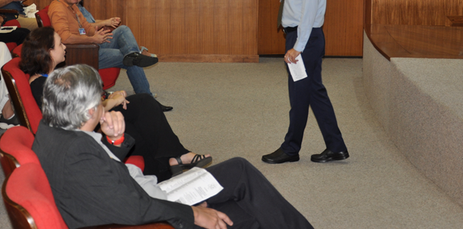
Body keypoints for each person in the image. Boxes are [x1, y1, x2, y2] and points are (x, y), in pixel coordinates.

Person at [33, 64, 315, 229]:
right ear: (88, 111)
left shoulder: (51, 129)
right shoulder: (77, 156)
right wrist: (193, 213)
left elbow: (101, 177)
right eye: (100, 100)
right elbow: (132, 210)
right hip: (152, 211)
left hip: (146, 196)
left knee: (241, 175)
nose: (103, 105)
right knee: (244, 208)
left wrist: (116, 142)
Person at [20, 27, 209, 180]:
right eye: (60, 44)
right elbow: (80, 116)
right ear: (48, 52)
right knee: (135, 130)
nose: (65, 47)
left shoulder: (50, 77)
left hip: (92, 118)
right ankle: (165, 171)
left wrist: (109, 98)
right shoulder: (42, 86)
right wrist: (110, 102)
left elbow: (80, 101)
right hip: (83, 132)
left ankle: (177, 156)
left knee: (144, 102)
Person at [262, 0, 349, 165]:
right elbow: (295, 2)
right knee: (314, 93)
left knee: (300, 95)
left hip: (305, 39)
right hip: (302, 37)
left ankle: (291, 149)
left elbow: (308, 13)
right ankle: (336, 146)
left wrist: (297, 48)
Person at [48, 0, 165, 106]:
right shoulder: (58, 9)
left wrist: (96, 34)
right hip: (80, 53)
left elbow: (86, 26)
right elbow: (64, 38)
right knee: (126, 57)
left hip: (89, 44)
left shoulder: (72, 6)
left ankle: (134, 54)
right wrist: (92, 39)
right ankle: (147, 99)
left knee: (123, 30)